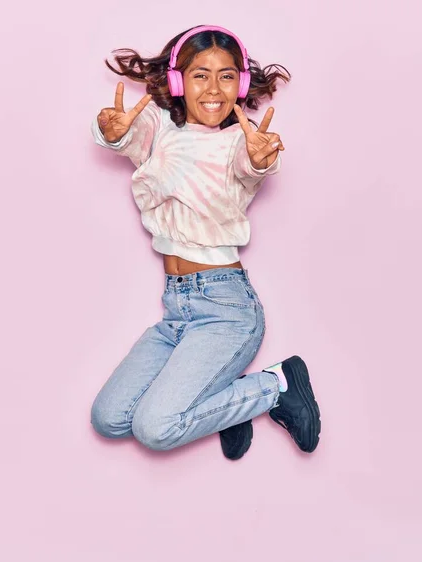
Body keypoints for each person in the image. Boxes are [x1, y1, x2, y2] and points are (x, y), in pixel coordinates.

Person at [90, 24, 321, 460]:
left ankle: (277, 385)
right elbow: (125, 137)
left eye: (227, 75)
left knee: (155, 429)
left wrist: (259, 157)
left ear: (242, 83)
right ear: (178, 82)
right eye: (200, 75)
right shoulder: (158, 127)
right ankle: (226, 409)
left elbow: (250, 164)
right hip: (177, 310)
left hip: (225, 307)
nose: (214, 88)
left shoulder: (240, 140)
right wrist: (112, 130)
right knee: (110, 418)